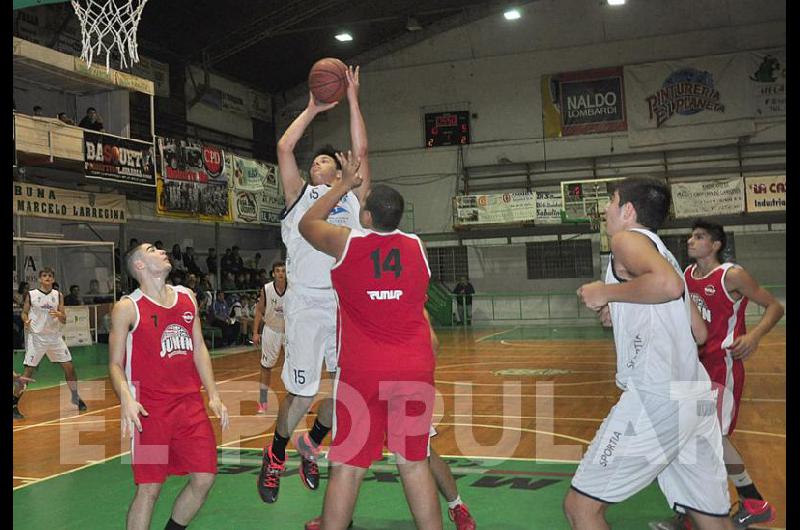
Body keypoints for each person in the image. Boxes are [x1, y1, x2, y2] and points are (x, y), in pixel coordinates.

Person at [568, 177, 733, 530]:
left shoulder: (625, 240)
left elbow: (668, 287)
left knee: (581, 509)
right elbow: (698, 331)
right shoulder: (667, 255)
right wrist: (625, 309)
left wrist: (607, 292)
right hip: (695, 396)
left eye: (611, 202)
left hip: (658, 397)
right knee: (709, 516)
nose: (605, 210)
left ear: (628, 210)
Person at [297, 152, 440, 529]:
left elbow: (307, 223)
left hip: (363, 371)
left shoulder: (349, 244)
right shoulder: (418, 248)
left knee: (348, 468)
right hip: (414, 366)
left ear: (367, 216)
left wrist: (343, 184)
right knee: (414, 464)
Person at [257, 64, 369, 505]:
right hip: (305, 304)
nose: (322, 162)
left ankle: (311, 445)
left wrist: (354, 98)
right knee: (301, 395)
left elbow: (362, 149)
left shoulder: (352, 196)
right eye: (317, 160)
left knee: (346, 398)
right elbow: (285, 146)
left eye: (328, 158)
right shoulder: (298, 198)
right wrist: (313, 107)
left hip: (346, 307)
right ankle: (276, 453)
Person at [303, 306, 477, 530]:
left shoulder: (403, 300)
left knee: (420, 455)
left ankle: (457, 505)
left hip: (399, 381)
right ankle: (334, 516)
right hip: (367, 384)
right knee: (346, 455)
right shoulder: (350, 302)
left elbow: (432, 344)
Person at [108, 243, 229, 530]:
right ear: (139, 265)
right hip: (150, 412)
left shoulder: (187, 297)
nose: (162, 251)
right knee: (149, 488)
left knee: (204, 477)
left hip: (190, 406)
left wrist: (213, 395)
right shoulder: (128, 307)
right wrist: (126, 398)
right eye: (152, 249)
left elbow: (198, 347)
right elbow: (114, 363)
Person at [682, 220, 782, 529]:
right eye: (691, 236)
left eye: (699, 237)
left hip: (721, 367)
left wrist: (753, 337)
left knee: (713, 438)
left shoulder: (732, 275)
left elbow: (775, 307)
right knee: (695, 438)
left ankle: (745, 503)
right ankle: (702, 507)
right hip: (692, 367)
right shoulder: (686, 276)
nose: (690, 241)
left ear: (715, 245)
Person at [15, 268, 88, 420]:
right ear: (40, 279)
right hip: (37, 338)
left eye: (50, 276)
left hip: (55, 338)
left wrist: (60, 315)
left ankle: (75, 396)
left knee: (70, 368)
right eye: (44, 276)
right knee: (28, 372)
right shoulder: (32, 294)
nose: (47, 278)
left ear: (53, 279)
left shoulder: (58, 295)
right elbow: (24, 312)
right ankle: (14, 404)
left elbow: (64, 319)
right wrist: (25, 320)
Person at [251, 261, 286, 415]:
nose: (280, 273)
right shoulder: (266, 289)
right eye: (277, 271)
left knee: (295, 366)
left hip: (289, 330)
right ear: (273, 273)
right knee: (266, 366)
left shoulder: (293, 288)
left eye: (283, 271)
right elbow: (259, 311)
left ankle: (298, 401)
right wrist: (255, 332)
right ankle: (263, 402)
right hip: (271, 329)